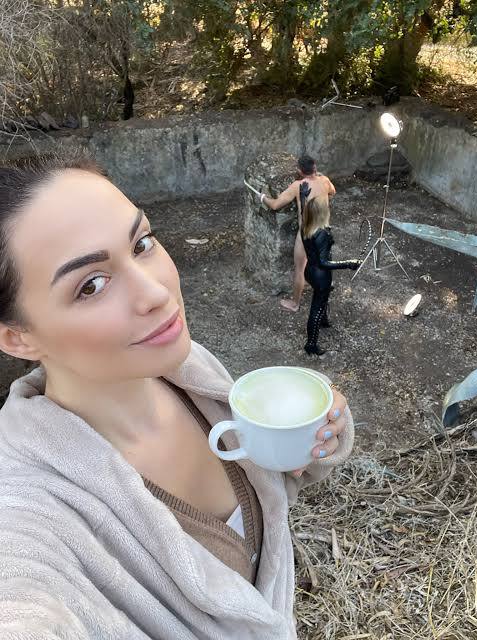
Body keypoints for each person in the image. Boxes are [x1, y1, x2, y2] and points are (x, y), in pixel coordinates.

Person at [0, 151, 354, 639]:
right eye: (92, 285)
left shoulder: (189, 371)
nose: (157, 293)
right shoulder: (26, 512)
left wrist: (315, 438)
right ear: (17, 337)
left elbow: (269, 493)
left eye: (142, 243)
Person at [261, 155, 336, 313]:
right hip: (324, 230)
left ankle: (295, 304)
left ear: (300, 171)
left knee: (299, 269)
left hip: (307, 232)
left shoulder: (298, 185)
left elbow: (275, 205)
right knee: (323, 261)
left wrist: (263, 198)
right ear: (315, 167)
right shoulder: (325, 180)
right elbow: (332, 192)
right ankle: (325, 285)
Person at [301, 193, 361, 356]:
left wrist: (303, 197)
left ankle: (324, 320)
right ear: (321, 214)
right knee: (316, 308)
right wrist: (348, 263)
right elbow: (324, 263)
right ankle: (311, 344)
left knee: (321, 300)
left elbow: (303, 211)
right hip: (321, 276)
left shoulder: (305, 225)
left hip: (309, 271)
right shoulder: (322, 234)